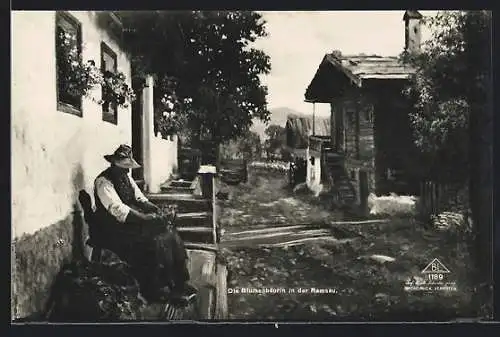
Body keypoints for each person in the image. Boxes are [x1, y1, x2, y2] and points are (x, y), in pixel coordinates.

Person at [93, 144, 197, 303]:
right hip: (113, 227)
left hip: (129, 223)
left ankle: (180, 282)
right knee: (154, 241)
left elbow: (140, 198)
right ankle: (155, 289)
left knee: (170, 234)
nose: (127, 171)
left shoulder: (126, 177)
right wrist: (146, 218)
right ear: (114, 164)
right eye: (124, 167)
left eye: (128, 168)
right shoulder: (103, 182)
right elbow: (118, 210)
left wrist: (156, 210)